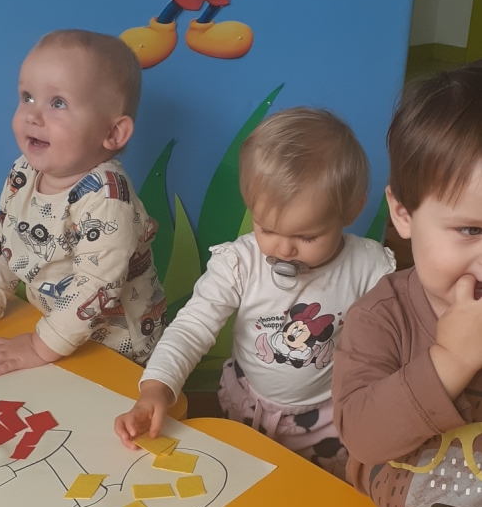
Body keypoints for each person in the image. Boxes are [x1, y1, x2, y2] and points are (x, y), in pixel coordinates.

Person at [115, 107, 395, 478]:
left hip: (329, 418)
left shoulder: (370, 267)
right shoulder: (240, 262)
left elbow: (395, 338)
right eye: (267, 229)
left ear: (351, 211)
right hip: (247, 406)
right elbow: (193, 326)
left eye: (306, 236)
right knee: (244, 479)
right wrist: (156, 387)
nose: (284, 249)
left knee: (318, 490)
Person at [0, 29, 165, 374]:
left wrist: (40, 346)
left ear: (112, 133)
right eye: (27, 97)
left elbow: (96, 286)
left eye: (58, 103)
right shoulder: (25, 171)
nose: (33, 115)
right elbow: (5, 238)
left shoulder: (108, 199)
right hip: (55, 329)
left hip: (117, 347)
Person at [332, 61, 482, 507]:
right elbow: (361, 436)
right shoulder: (382, 316)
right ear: (403, 214)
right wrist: (450, 363)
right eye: (471, 229)